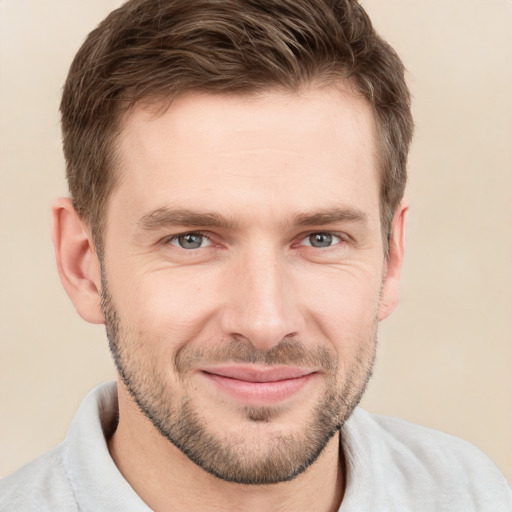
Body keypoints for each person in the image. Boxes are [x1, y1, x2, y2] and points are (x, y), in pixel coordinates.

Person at [1, 0, 510, 510]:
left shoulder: (476, 495)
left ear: (391, 257)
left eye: (320, 239)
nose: (265, 323)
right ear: (83, 264)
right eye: (191, 239)